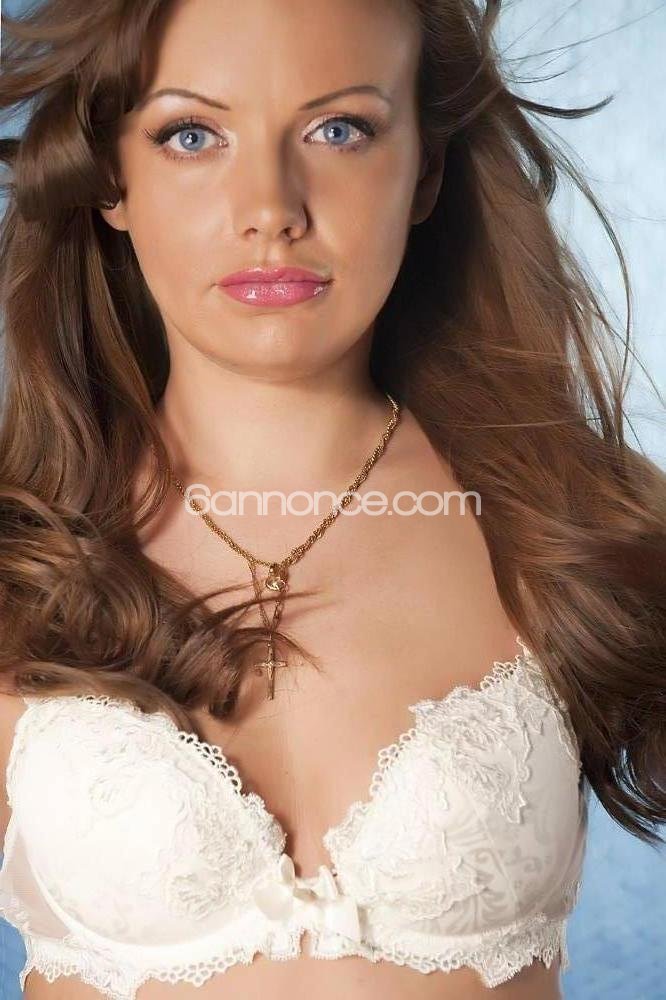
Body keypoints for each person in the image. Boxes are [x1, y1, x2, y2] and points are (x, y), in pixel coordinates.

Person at [0, 0, 663, 998]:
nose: (271, 208)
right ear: (108, 178)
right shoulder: (20, 556)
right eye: (193, 134)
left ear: (426, 170)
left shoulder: (580, 528)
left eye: (338, 129)